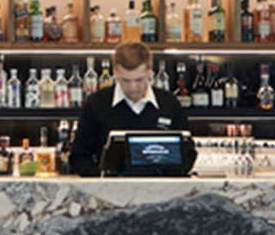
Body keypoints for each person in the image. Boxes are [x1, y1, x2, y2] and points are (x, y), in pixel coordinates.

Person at [67, 41, 190, 176]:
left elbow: (188, 153)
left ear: (150, 71)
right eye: (125, 80)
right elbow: (78, 157)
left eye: (139, 80)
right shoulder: (96, 104)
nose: (133, 87)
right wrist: (103, 179)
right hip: (110, 188)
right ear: (115, 72)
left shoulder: (169, 103)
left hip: (161, 187)